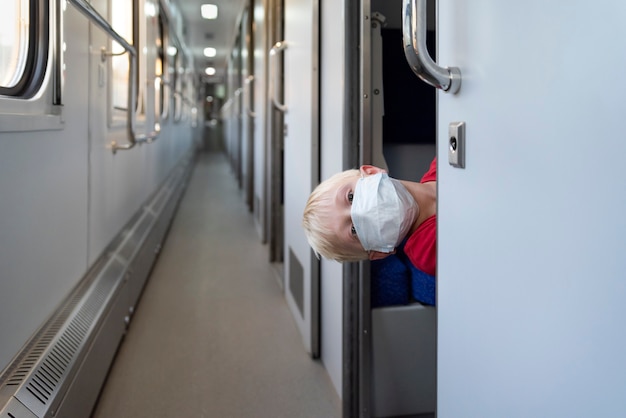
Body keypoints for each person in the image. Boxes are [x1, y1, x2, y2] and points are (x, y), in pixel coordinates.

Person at [302, 157, 437, 277]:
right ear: (379, 252)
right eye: (354, 229)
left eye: (351, 197)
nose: (360, 213)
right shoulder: (426, 253)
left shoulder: (445, 158)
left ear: (371, 172)